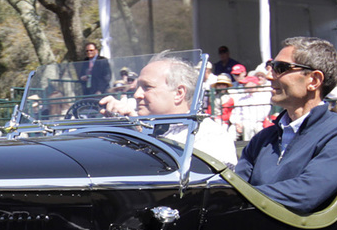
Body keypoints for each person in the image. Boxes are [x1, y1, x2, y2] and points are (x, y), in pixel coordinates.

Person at [234, 37, 337, 214]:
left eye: (280, 68)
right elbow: (232, 188)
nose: (269, 75)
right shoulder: (263, 139)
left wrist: (237, 199)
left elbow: (306, 193)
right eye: (271, 67)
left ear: (314, 80)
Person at [98, 54, 236, 165]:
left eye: (147, 87)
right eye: (138, 87)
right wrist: (121, 130)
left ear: (179, 93)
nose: (137, 95)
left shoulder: (209, 136)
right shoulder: (145, 126)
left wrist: (138, 135)